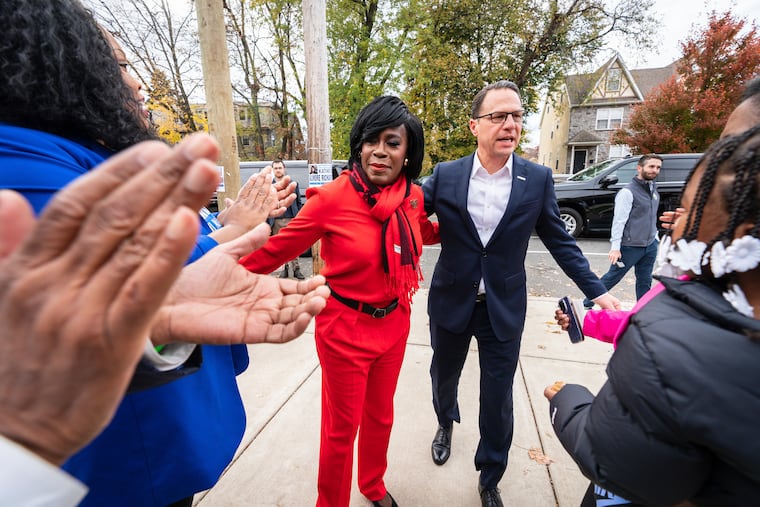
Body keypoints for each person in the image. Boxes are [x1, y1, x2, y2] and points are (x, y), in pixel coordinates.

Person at [0, 2, 324, 505]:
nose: (135, 85)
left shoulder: (80, 157)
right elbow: (119, 281)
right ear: (64, 65)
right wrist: (229, 232)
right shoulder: (28, 178)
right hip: (126, 466)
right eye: (123, 66)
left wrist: (220, 224)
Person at [420, 80, 619, 507]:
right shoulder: (447, 175)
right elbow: (405, 215)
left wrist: (597, 292)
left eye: (516, 116)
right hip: (451, 302)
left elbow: (561, 242)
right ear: (475, 125)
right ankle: (445, 421)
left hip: (503, 309)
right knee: (443, 378)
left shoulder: (537, 179)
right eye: (498, 116)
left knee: (498, 399)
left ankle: (490, 475)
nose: (509, 124)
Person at [545, 123, 760, 505]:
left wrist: (567, 400)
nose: (673, 219)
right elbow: (644, 318)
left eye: (692, 209)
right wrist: (589, 318)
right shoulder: (705, 301)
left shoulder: (671, 344)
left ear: (741, 233)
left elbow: (608, 455)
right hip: (631, 249)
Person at [241, 96, 439, 507]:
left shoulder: (412, 198)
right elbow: (275, 251)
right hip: (344, 329)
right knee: (341, 429)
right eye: (371, 140)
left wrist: (480, 228)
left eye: (392, 142)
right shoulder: (331, 198)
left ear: (408, 154)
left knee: (381, 417)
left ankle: (372, 484)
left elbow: (425, 232)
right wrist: (219, 266)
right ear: (358, 145)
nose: (379, 151)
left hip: (394, 323)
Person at [582, 154, 662, 309]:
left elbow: (651, 217)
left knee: (645, 281)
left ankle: (642, 310)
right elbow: (619, 221)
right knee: (612, 277)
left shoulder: (653, 190)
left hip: (650, 245)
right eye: (651, 166)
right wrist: (615, 247)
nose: (655, 170)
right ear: (640, 168)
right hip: (630, 246)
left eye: (658, 167)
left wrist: (656, 238)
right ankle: (587, 303)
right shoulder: (627, 192)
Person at [272, 158, 305, 279]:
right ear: (273, 170)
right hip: (276, 220)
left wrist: (298, 216)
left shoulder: (292, 183)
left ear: (284, 169)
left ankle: (296, 269)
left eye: (280, 168)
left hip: (291, 218)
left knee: (293, 245)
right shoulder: (270, 186)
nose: (278, 170)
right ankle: (284, 269)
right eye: (276, 168)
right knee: (280, 246)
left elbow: (299, 201)